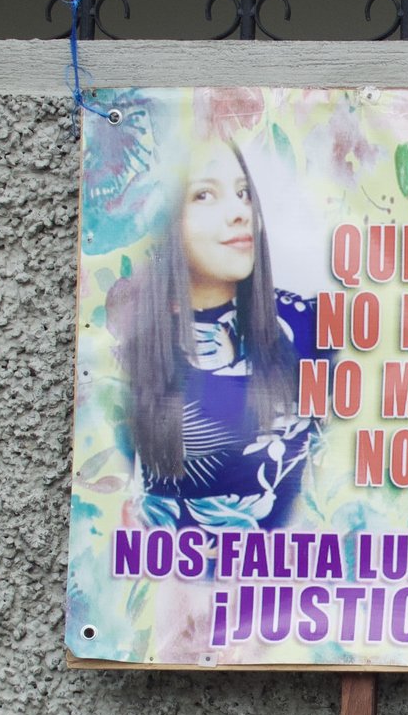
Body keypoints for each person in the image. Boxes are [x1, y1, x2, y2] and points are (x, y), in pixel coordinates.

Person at [111, 135, 324, 530]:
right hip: (168, 566)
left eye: (244, 193)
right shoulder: (125, 350)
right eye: (205, 195)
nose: (239, 212)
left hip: (293, 565)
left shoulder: (305, 326)